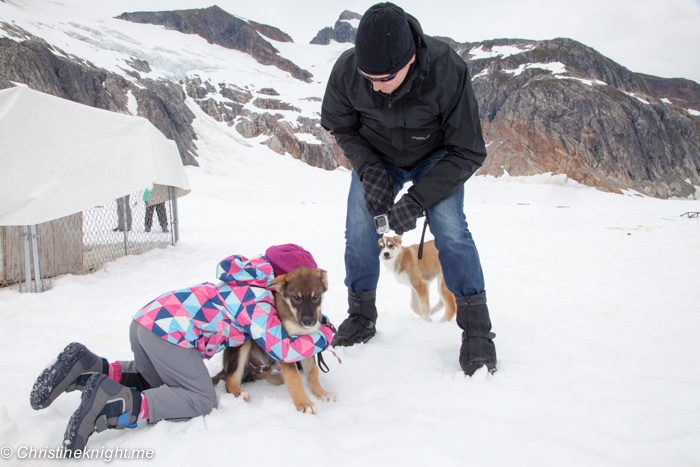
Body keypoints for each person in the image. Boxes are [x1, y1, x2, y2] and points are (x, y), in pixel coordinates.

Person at [321, 2, 497, 376]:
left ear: (411, 59)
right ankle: (361, 315)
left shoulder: (448, 70)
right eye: (367, 77)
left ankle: (478, 331)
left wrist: (418, 200)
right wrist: (370, 169)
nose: (374, 86)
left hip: (436, 157)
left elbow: (467, 150)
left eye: (383, 78)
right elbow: (342, 127)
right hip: (378, 157)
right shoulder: (347, 72)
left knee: (450, 230)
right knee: (358, 229)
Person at [30, 244, 334, 455]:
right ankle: (111, 404)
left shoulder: (245, 279)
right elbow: (282, 347)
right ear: (280, 284)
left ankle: (90, 366)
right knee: (200, 398)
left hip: (147, 321)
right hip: (169, 335)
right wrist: (325, 332)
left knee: (160, 383)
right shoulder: (258, 299)